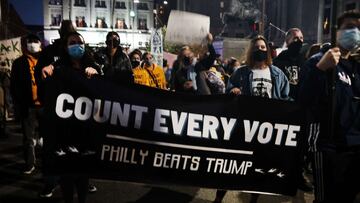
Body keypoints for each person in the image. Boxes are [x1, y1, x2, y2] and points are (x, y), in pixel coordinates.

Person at [299, 10, 360, 203]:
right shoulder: (318, 61)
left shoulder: (356, 67)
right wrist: (320, 70)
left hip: (355, 146)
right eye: (350, 27)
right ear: (336, 32)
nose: (355, 32)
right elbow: (304, 98)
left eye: (359, 28)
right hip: (328, 147)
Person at [43, 31, 100, 203]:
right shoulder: (58, 68)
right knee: (67, 173)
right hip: (65, 130)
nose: (77, 45)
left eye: (80, 42)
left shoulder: (92, 66)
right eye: (72, 42)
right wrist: (46, 72)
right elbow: (46, 90)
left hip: (85, 129)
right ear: (66, 47)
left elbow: (105, 89)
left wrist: (96, 73)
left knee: (83, 173)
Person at [10, 34, 43, 175]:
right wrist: (18, 103)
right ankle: (30, 164)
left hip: (45, 104)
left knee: (45, 138)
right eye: (30, 42)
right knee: (28, 138)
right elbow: (14, 85)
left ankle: (47, 163)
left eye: (35, 41)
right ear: (25, 45)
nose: (32, 44)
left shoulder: (45, 60)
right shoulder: (19, 63)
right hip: (27, 106)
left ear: (40, 44)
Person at [226, 35, 290, 100]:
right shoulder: (241, 72)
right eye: (256, 48)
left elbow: (285, 97)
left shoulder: (278, 74)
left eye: (263, 47)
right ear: (251, 51)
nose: (259, 49)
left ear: (267, 50)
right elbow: (229, 90)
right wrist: (233, 90)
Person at [273, 28, 305, 101]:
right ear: (287, 41)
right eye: (296, 38)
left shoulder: (304, 60)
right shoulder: (278, 61)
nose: (299, 41)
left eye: (301, 38)